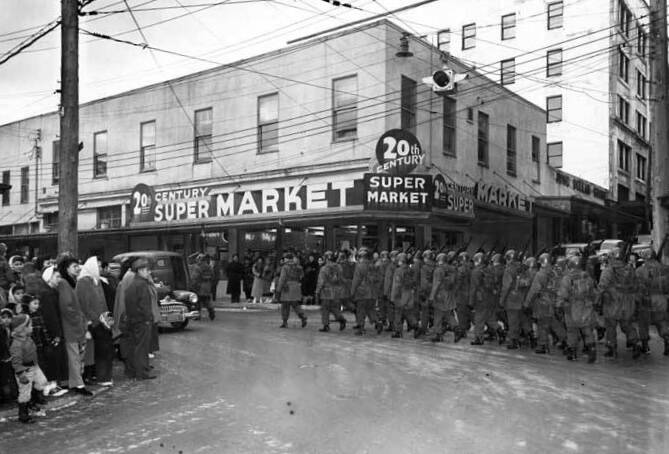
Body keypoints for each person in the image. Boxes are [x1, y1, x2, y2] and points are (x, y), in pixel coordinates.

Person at [76, 256, 114, 387]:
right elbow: (85, 305)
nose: (99, 268)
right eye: (97, 266)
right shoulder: (83, 282)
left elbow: (102, 302)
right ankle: (102, 376)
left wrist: (107, 318)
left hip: (103, 321)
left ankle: (105, 375)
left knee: (106, 348)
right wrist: (96, 319)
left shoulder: (95, 281)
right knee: (102, 349)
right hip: (95, 322)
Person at [57, 257, 92, 395]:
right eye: (74, 266)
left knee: (76, 356)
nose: (78, 268)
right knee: (75, 356)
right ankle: (78, 384)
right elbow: (66, 306)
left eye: (78, 265)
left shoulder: (70, 282)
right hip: (71, 327)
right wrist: (79, 320)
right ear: (66, 269)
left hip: (74, 325)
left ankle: (76, 382)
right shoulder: (64, 284)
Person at [598, 247, 642, 359]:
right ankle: (635, 343)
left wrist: (598, 300)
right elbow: (636, 285)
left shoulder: (608, 269)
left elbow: (602, 286)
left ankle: (612, 348)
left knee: (610, 326)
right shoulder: (630, 269)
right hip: (628, 302)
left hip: (612, 301)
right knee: (627, 325)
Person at [557, 256, 597, 363]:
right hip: (585, 306)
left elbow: (563, 294)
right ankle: (592, 349)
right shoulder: (587, 277)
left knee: (572, 330)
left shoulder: (567, 278)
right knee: (586, 329)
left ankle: (572, 352)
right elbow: (593, 293)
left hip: (571, 307)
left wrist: (559, 305)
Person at [525, 253, 567, 354]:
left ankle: (542, 345)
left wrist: (527, 303)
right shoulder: (555, 272)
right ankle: (567, 340)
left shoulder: (540, 274)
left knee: (542, 324)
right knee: (553, 323)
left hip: (542, 302)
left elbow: (534, 290)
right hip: (552, 301)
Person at [10, 314, 48, 423]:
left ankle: (34, 401)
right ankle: (23, 414)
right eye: (30, 325)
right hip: (24, 370)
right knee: (24, 392)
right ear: (22, 329)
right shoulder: (16, 344)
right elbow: (16, 361)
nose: (32, 327)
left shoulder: (28, 338)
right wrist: (20, 374)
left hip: (34, 366)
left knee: (42, 382)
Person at [124, 258, 157, 380]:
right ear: (141, 270)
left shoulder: (132, 284)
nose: (149, 273)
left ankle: (131, 371)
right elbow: (144, 305)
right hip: (142, 321)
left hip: (133, 320)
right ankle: (142, 372)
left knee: (134, 346)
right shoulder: (142, 285)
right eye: (147, 270)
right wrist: (148, 319)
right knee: (142, 348)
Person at [38, 266, 68, 387]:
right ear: (49, 278)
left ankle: (58, 383)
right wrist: (56, 333)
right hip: (52, 332)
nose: (59, 279)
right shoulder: (47, 294)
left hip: (56, 330)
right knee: (53, 359)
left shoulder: (52, 291)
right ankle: (53, 385)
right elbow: (50, 316)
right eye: (57, 276)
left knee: (57, 359)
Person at [635, 248, 669, 355]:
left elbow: (638, 287)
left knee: (643, 323)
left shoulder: (640, 270)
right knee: (662, 321)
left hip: (647, 299)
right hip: (661, 299)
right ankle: (667, 340)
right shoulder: (665, 269)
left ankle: (645, 347)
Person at [429, 252, 459, 343]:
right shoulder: (452, 269)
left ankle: (438, 334)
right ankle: (457, 329)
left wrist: (431, 296)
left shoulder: (438, 270)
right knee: (448, 315)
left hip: (440, 296)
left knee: (437, 315)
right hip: (449, 295)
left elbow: (436, 284)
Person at [469, 252, 498, 345]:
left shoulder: (476, 271)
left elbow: (474, 288)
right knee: (489, 318)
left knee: (479, 319)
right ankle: (500, 330)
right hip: (490, 297)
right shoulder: (489, 270)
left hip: (480, 298)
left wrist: (471, 302)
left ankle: (478, 338)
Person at [351, 248, 381, 335]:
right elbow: (378, 279)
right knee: (371, 309)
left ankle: (361, 328)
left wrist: (352, 292)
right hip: (372, 292)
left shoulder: (359, 266)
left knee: (361, 310)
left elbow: (356, 280)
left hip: (362, 292)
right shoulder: (373, 266)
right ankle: (377, 322)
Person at [315, 251, 346, 332]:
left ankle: (326, 325)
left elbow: (321, 282)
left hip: (326, 291)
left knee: (325, 308)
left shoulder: (324, 269)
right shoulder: (339, 267)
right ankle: (341, 319)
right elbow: (341, 279)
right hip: (336, 291)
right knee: (334, 308)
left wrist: (317, 291)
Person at [276, 253, 307, 328]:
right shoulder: (298, 267)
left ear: (287, 259)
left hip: (287, 287)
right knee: (295, 304)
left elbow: (282, 279)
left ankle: (285, 322)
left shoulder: (285, 267)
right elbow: (302, 276)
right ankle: (302, 316)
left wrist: (278, 290)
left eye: (285, 258)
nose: (284, 259)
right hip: (296, 286)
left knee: (285, 305)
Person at [391, 253, 417, 338]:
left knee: (398, 312)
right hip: (410, 293)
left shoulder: (398, 271)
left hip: (401, 294)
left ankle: (397, 331)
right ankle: (416, 326)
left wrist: (393, 296)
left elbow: (397, 285)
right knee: (408, 312)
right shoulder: (410, 269)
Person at [191, 254, 215, 320]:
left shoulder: (198, 267)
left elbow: (195, 278)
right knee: (207, 300)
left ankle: (197, 315)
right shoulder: (209, 267)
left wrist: (193, 285)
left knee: (198, 301)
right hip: (207, 286)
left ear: (200, 260)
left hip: (200, 286)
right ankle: (211, 312)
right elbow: (213, 276)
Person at [0, 308, 16, 404]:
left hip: (7, 357)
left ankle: (9, 396)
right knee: (4, 378)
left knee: (7, 377)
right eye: (3, 317)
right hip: (3, 358)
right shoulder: (2, 330)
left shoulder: (8, 329)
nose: (6, 320)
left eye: (9, 317)